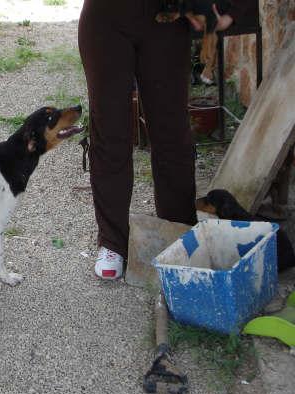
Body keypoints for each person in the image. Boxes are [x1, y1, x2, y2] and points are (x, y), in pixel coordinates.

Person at [78, 0, 256, 280]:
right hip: (107, 20)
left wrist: (231, 10)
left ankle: (180, 234)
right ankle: (112, 243)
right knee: (109, 131)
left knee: (171, 133)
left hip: (168, 24)